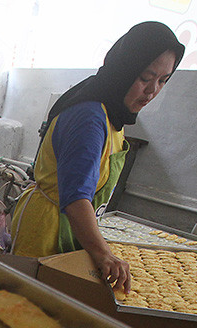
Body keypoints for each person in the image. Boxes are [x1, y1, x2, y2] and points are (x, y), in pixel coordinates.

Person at [10, 21, 185, 292]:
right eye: (145, 78)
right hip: (46, 232)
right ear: (124, 69)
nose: (152, 91)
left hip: (71, 226)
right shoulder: (89, 118)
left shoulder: (113, 110)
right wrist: (104, 253)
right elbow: (77, 197)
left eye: (163, 80)